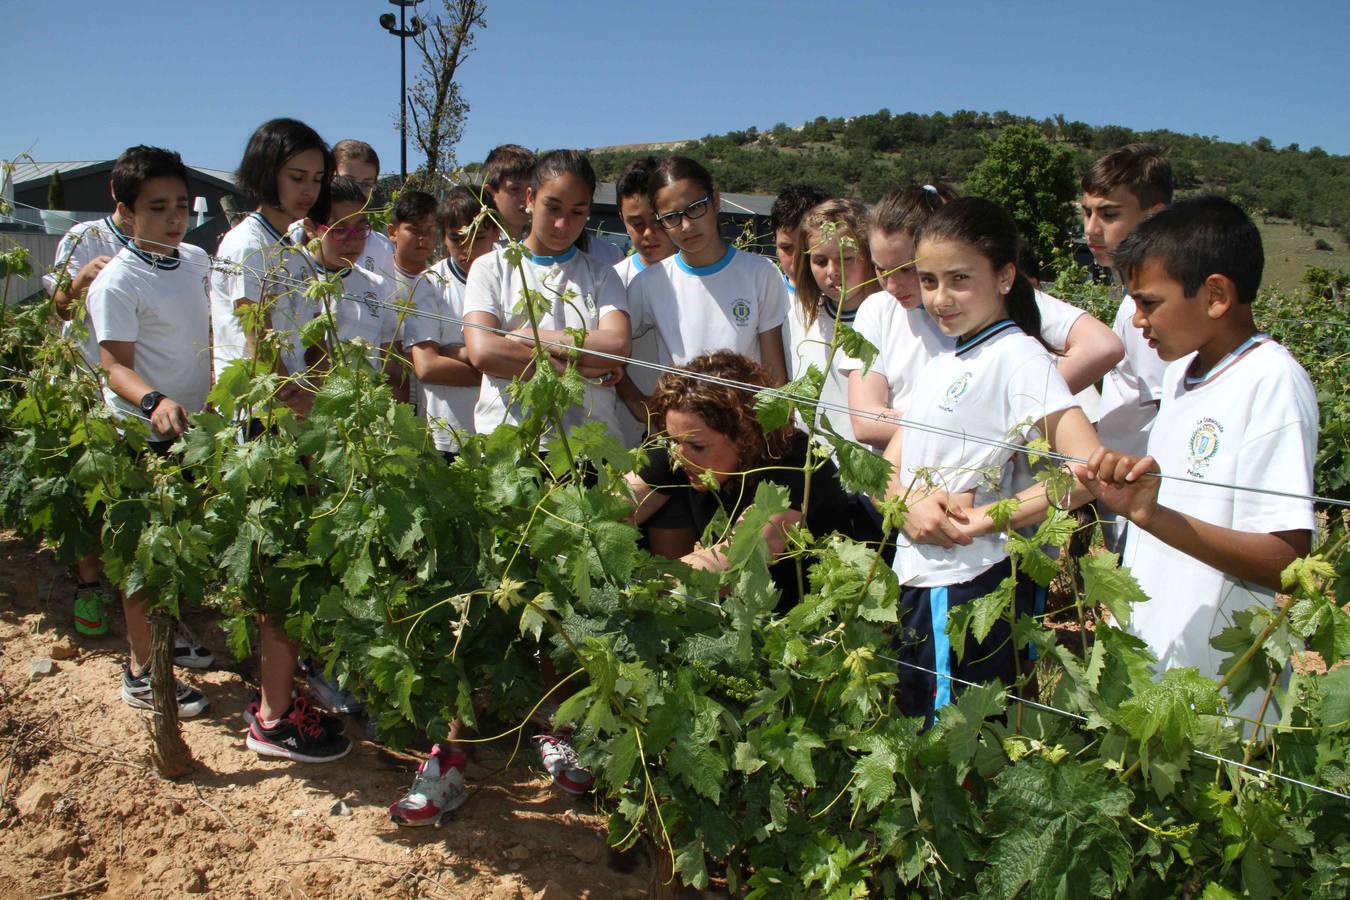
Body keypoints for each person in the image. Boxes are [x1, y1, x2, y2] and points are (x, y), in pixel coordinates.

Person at [1074, 196, 1317, 727]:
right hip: (1157, 668)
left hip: (1217, 703)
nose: (1137, 320)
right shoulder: (1179, 376)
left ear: (1215, 295)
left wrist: (1152, 515)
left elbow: (1286, 562)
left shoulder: (1270, 382)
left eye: (1149, 303)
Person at [881, 197, 1101, 722]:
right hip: (919, 575)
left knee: (956, 738)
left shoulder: (1018, 357)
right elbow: (891, 460)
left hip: (967, 583)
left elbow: (1087, 469)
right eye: (929, 280)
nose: (940, 298)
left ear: (1005, 276)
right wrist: (903, 502)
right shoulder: (946, 357)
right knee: (923, 728)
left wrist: (982, 519)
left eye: (959, 279)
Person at [84, 147, 213, 718]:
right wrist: (154, 400)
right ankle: (140, 671)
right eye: (157, 208)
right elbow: (114, 366)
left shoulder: (196, 261)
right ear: (126, 211)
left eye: (181, 205)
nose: (174, 218)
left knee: (178, 545)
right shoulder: (117, 281)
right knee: (143, 555)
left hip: (193, 430)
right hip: (142, 435)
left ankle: (165, 633)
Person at [626, 351, 879, 607]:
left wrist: (642, 589)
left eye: (697, 446)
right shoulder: (684, 443)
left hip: (810, 621)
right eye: (673, 440)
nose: (678, 456)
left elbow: (738, 560)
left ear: (746, 435)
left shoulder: (795, 464)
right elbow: (616, 503)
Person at [463, 149, 632, 443]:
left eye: (577, 212)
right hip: (513, 440)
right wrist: (580, 369)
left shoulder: (603, 275)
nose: (562, 224)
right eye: (552, 208)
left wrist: (525, 336)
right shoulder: (490, 268)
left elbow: (616, 345)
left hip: (590, 442)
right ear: (530, 199)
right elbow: (483, 351)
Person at [41, 147, 138, 640]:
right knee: (86, 488)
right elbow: (58, 306)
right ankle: (88, 585)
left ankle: (132, 586)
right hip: (84, 380)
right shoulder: (85, 236)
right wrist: (80, 279)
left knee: (124, 488)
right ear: (119, 197)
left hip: (130, 382)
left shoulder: (165, 247)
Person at [627, 156, 789, 417]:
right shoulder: (650, 283)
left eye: (695, 208)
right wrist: (641, 406)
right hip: (683, 432)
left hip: (745, 429)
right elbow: (611, 350)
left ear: (715, 199)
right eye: (671, 217)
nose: (686, 226)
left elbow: (775, 376)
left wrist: (775, 426)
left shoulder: (760, 273)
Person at [1082, 144, 1174, 549]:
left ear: (1154, 215)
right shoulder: (1132, 301)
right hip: (1128, 500)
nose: (1091, 230)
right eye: (1086, 213)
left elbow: (1168, 410)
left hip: (1146, 508)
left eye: (1109, 214)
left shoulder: (1149, 310)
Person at [842, 185, 956, 452]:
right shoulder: (878, 310)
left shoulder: (984, 309)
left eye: (906, 269)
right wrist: (966, 435)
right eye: (880, 269)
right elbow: (866, 421)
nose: (892, 286)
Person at [404, 186, 495, 459]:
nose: (468, 249)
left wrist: (457, 352)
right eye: (457, 239)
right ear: (443, 237)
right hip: (446, 434)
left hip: (499, 431)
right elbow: (427, 366)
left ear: (496, 232)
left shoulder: (512, 278)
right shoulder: (431, 283)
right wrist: (495, 368)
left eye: (478, 238)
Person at [784, 198, 876, 445]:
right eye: (820, 261)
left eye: (846, 258)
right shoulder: (798, 318)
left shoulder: (891, 321)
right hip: (812, 460)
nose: (833, 271)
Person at [611, 156, 677, 446]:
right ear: (622, 219)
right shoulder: (612, 281)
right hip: (628, 436)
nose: (649, 234)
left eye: (658, 221)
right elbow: (606, 359)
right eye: (636, 224)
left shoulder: (699, 277)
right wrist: (639, 404)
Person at [332, 139, 396, 278]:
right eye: (348, 180)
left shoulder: (382, 247)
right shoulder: (300, 234)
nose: (357, 191)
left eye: (366, 184)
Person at [770, 184, 829, 293]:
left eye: (807, 247)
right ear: (775, 244)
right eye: (787, 248)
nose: (798, 259)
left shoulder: (849, 299)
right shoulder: (766, 296)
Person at [481, 144, 536, 242]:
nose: (526, 197)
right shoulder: (480, 247)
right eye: (515, 189)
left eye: (531, 189)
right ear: (490, 194)